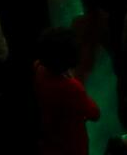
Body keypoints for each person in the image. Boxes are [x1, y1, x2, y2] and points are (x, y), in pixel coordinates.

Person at [31, 26, 99, 155]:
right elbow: (95, 113)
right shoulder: (72, 87)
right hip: (72, 145)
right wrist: (72, 80)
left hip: (48, 141)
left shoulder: (37, 68)